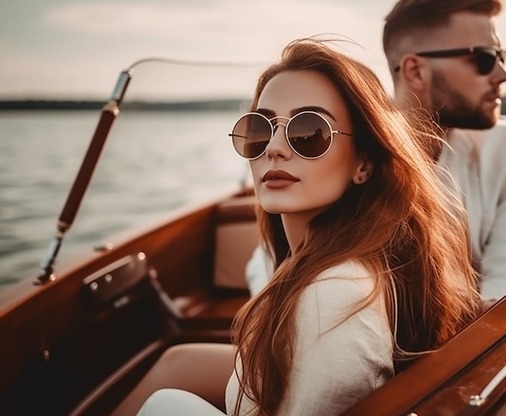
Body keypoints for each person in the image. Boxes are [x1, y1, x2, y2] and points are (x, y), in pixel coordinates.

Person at [137, 38, 481, 416]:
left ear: (362, 164)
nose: (275, 148)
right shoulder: (336, 267)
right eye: (259, 129)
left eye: (308, 133)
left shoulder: (332, 297)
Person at [382, 0, 506, 299]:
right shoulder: (355, 163)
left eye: (500, 57)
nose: (502, 75)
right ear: (416, 72)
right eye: (483, 59)